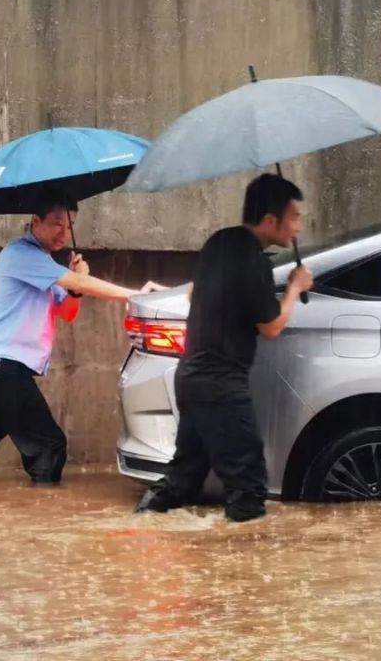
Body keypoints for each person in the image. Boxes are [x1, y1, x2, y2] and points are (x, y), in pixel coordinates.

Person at [0, 192, 166, 486]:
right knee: (49, 445)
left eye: (70, 226)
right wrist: (135, 295)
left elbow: (67, 311)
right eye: (57, 224)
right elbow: (78, 284)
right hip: (2, 367)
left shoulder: (45, 265)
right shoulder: (20, 254)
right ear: (35, 221)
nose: (65, 233)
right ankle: (42, 511)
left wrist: (75, 285)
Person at [135, 173, 314, 522]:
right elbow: (272, 327)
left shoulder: (218, 243)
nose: (299, 226)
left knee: (184, 476)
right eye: (294, 217)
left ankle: (139, 527)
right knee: (248, 486)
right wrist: (295, 287)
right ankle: (243, 571)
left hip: (191, 377)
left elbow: (193, 294)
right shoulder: (254, 261)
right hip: (220, 385)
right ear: (269, 220)